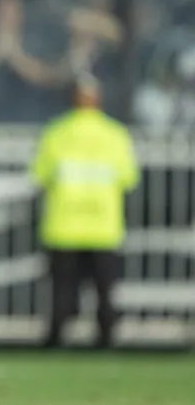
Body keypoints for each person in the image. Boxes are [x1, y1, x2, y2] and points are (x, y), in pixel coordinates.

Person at [31, 75, 139, 348]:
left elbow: (40, 175)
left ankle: (55, 341)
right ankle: (106, 341)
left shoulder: (56, 133)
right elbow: (128, 178)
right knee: (105, 292)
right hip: (103, 226)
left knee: (62, 291)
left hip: (64, 225)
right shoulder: (116, 135)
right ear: (98, 100)